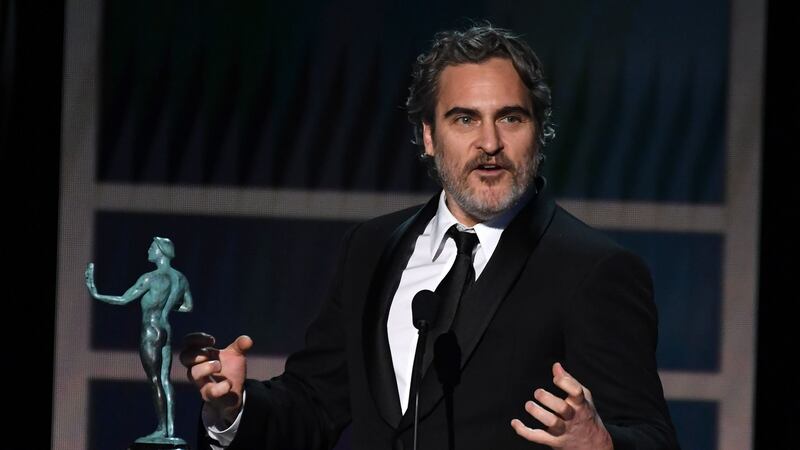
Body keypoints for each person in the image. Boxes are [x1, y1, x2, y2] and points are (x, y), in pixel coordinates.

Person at [181, 25, 679, 450]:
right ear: (428, 135)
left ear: (539, 131)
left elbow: (652, 435)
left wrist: (602, 443)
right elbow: (315, 404)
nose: (490, 143)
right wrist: (235, 409)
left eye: (510, 117)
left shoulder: (593, 269)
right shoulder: (371, 248)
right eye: (465, 119)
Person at [86, 236, 193, 445]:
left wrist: (96, 294)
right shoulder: (181, 278)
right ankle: (170, 429)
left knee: (155, 380)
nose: (149, 250)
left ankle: (162, 429)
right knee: (165, 379)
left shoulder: (150, 278)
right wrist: (167, 307)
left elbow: (124, 299)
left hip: (151, 329)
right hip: (166, 329)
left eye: (152, 247)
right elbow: (188, 306)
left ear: (161, 251)